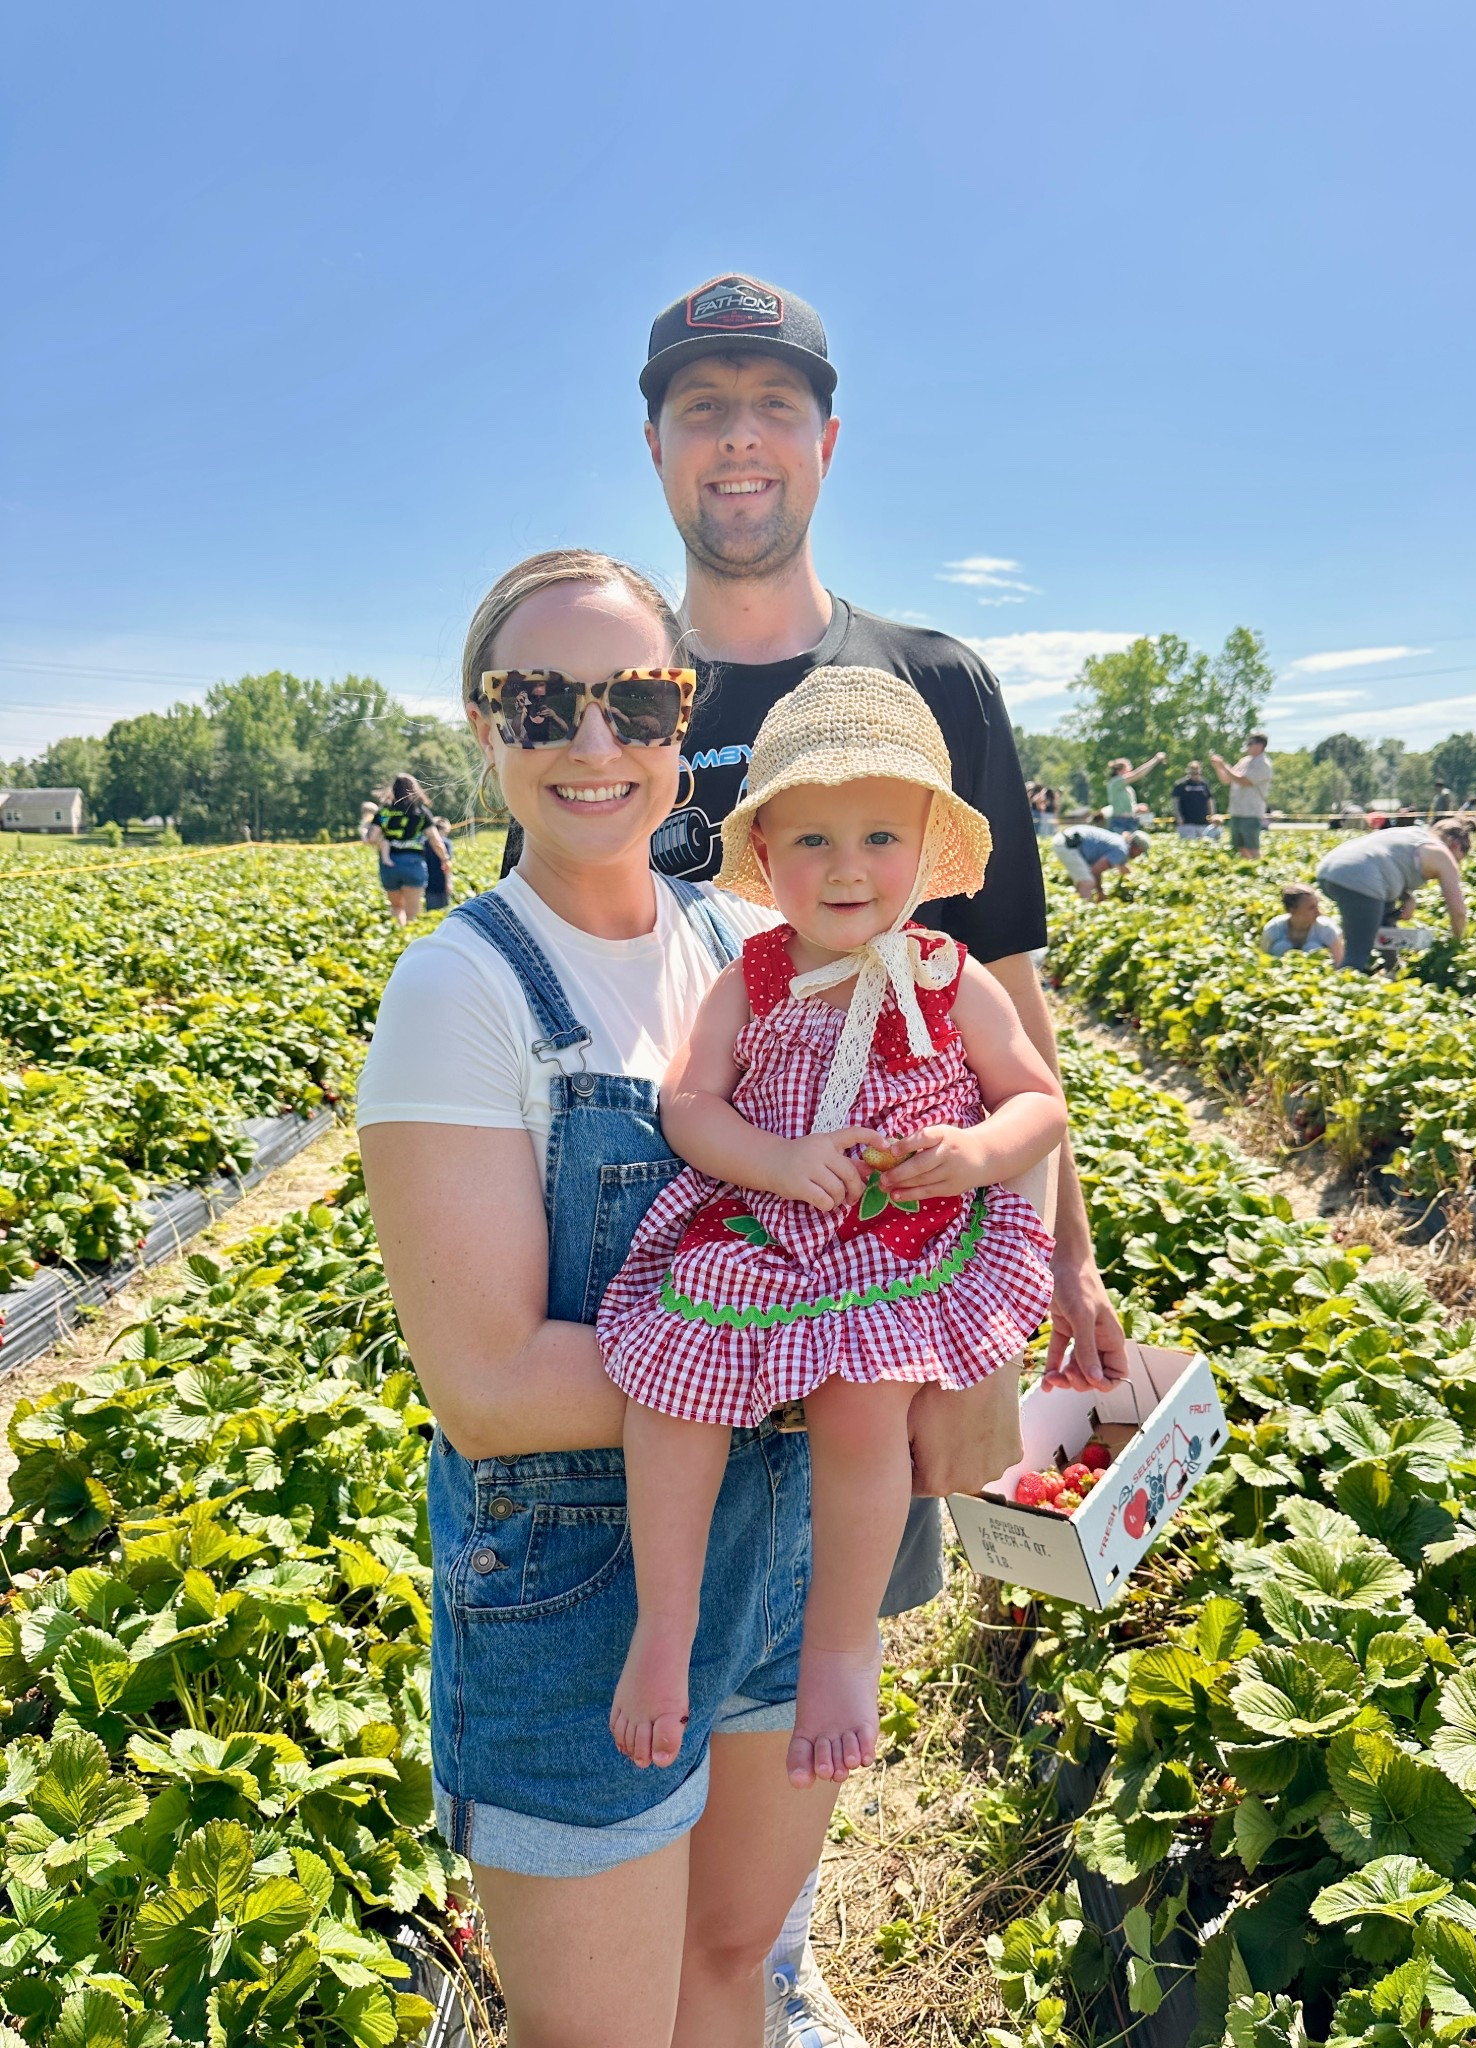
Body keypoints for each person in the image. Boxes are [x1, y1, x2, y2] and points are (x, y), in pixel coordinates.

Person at [507, 271, 1127, 2048]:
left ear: (827, 439)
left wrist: (1053, 1268)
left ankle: (762, 1966)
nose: (740, 439)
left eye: (772, 403)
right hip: (694, 1246)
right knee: (685, 1654)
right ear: (654, 443)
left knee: (816, 1651)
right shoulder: (614, 695)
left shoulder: (934, 681)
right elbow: (575, 978)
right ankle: (686, 1967)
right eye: (702, 406)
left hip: (894, 1257)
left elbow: (1012, 1013)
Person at [360, 551, 884, 2048]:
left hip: (777, 1557)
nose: (595, 742)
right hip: (580, 1594)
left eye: (636, 701)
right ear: (485, 728)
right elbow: (492, 1386)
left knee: (732, 1968)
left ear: (681, 715)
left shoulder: (741, 945)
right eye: (542, 703)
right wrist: (830, 1361)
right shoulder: (464, 991)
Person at [599, 668, 1066, 1789]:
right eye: (812, 839)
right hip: (768, 1228)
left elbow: (1039, 1103)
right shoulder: (752, 976)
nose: (847, 867)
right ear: (763, 852)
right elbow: (691, 1103)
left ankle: (842, 1643)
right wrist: (774, 1160)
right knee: (670, 1390)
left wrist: (971, 1153)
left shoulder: (950, 977)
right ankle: (665, 1623)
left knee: (865, 1405)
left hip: (903, 1239)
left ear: (925, 849)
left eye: (877, 837)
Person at [1316, 816, 1473, 972]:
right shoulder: (1441, 853)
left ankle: (1392, 967)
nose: (1455, 864)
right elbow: (1458, 912)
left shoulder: (1413, 833)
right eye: (1458, 860)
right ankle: (1345, 978)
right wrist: (1457, 943)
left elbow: (1386, 862)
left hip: (1328, 872)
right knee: (1358, 954)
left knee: (1382, 926)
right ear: (1455, 845)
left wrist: (1407, 897)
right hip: (1360, 878)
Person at [367, 774, 452, 926]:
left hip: (389, 864)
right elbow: (436, 841)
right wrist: (445, 859)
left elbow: (372, 838)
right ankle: (408, 936)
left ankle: (398, 934)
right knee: (412, 914)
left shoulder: (384, 812)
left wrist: (384, 842)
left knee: (396, 907)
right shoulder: (420, 812)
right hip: (413, 864)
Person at [1210, 734, 1273, 858]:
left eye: (1250, 743)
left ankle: (1259, 866)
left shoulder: (1264, 764)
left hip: (1251, 812)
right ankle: (1248, 866)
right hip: (1237, 811)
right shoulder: (1244, 761)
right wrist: (1218, 768)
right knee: (1239, 847)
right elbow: (1227, 780)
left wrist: (1224, 765)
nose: (1247, 746)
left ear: (1260, 745)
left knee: (1252, 847)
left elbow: (1244, 781)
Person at [1052, 822, 1150, 900]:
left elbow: (1124, 868)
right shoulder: (1121, 851)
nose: (1139, 855)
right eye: (1140, 852)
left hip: (1067, 839)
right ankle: (1085, 910)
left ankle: (1079, 903)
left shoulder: (1121, 843)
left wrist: (1132, 881)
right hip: (1068, 844)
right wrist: (1100, 893)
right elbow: (1096, 870)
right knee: (1088, 882)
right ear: (1136, 848)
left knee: (1084, 880)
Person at [1261, 883, 1343, 964]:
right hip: (1278, 972)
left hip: (1319, 972)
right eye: (1311, 908)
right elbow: (1262, 960)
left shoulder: (1327, 929)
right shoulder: (1274, 928)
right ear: (1292, 909)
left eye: (1317, 906)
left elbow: (1339, 963)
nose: (1318, 912)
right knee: (1281, 947)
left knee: (1312, 948)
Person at [1105, 753, 1164, 832]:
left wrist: (1137, 808)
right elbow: (1137, 774)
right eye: (1127, 769)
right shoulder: (1115, 782)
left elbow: (1126, 807)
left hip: (1131, 821)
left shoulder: (1128, 789)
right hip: (1119, 822)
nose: (1130, 771)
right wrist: (1155, 759)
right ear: (1119, 771)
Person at [1169, 760, 1216, 840]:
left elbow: (1209, 801)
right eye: (1193, 773)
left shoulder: (1204, 784)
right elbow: (1175, 802)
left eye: (1197, 773)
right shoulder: (1180, 785)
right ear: (1188, 772)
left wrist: (1212, 815)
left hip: (1202, 822)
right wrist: (1178, 816)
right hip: (1186, 823)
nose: (1195, 775)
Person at [424, 814, 455, 911]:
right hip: (442, 881)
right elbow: (447, 864)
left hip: (428, 882)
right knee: (444, 911)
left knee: (431, 911)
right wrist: (449, 882)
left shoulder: (424, 842)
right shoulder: (446, 843)